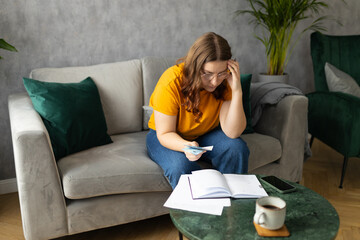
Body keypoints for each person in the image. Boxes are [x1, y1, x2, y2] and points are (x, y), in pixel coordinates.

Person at [146, 32, 249, 189]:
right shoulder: (171, 82)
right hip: (167, 136)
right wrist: (186, 146)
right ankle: (198, 212)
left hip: (205, 135)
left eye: (221, 73)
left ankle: (233, 207)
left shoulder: (225, 81)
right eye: (207, 74)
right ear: (194, 67)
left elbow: (232, 133)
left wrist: (237, 91)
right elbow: (165, 133)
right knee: (180, 166)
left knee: (236, 148)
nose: (214, 81)